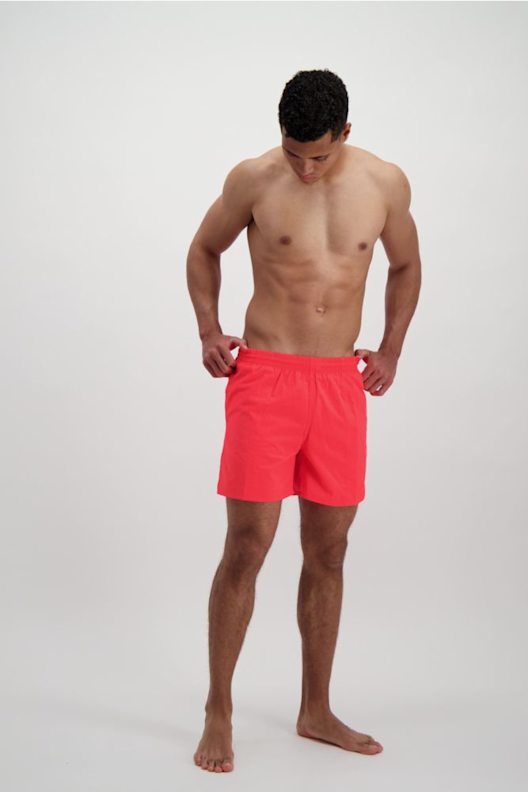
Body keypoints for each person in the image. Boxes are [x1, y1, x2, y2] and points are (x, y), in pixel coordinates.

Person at [186, 68, 421, 773]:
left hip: (338, 386)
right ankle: (218, 709)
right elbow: (203, 249)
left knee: (329, 551)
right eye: (294, 153)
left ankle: (315, 708)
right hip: (266, 377)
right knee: (247, 546)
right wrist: (208, 330)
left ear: (345, 133)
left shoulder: (384, 184)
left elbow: (406, 265)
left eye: (318, 156)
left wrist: (390, 348)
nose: (305, 169)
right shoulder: (253, 179)